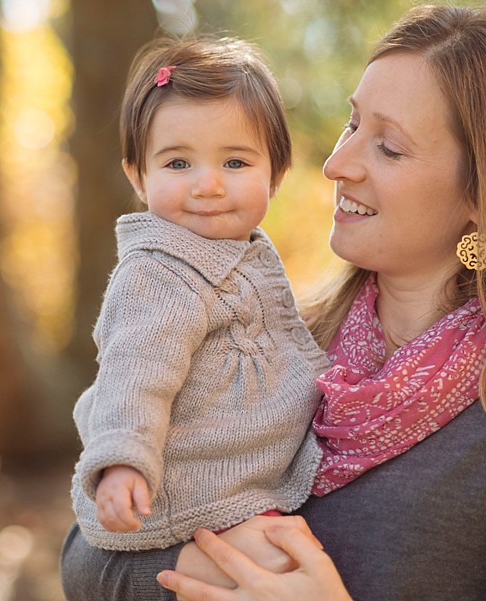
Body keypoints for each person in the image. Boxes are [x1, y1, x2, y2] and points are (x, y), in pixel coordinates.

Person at [60, 4, 486, 600]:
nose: (335, 164)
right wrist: (206, 570)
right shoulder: (282, 346)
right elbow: (84, 557)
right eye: (353, 125)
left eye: (389, 147)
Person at [69, 36, 330, 552]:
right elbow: (135, 373)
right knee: (279, 570)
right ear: (138, 177)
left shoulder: (242, 256)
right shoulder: (159, 273)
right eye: (178, 164)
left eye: (234, 163)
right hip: (178, 501)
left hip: (234, 489)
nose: (207, 185)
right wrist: (122, 461)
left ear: (275, 174)